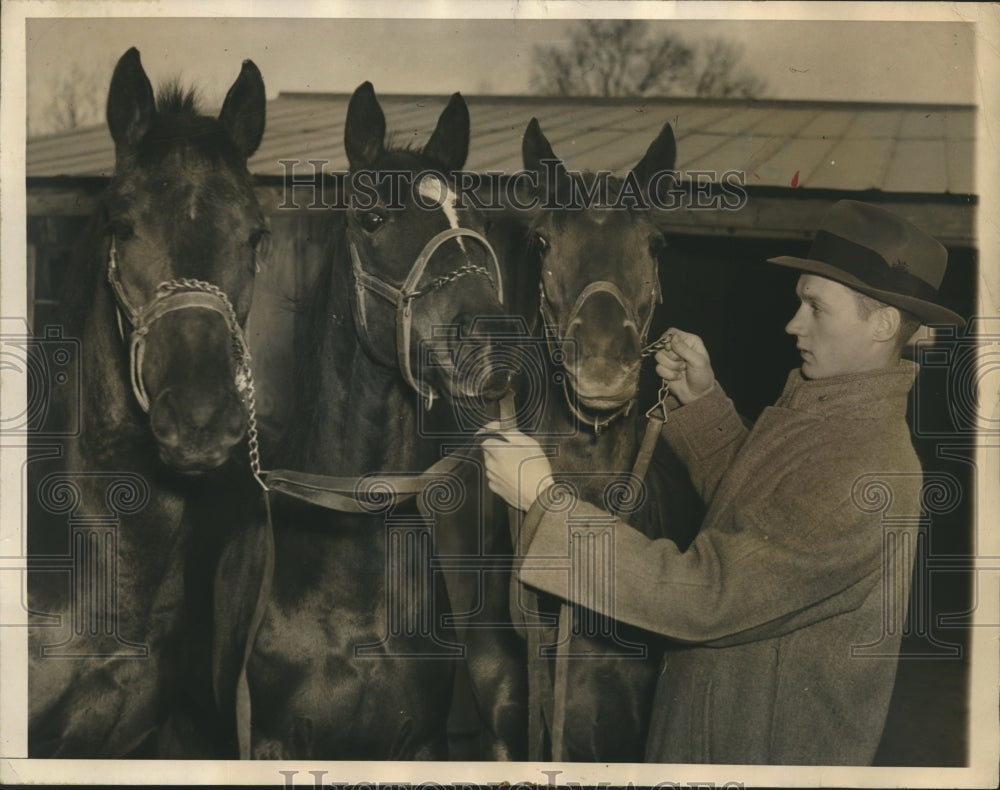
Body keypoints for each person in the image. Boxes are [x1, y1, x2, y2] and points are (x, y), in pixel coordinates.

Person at [481, 200, 966, 765]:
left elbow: (704, 597)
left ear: (882, 323)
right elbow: (762, 514)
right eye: (798, 303)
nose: (793, 323)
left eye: (815, 307)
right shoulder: (830, 420)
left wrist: (547, 504)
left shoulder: (867, 470)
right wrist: (702, 403)